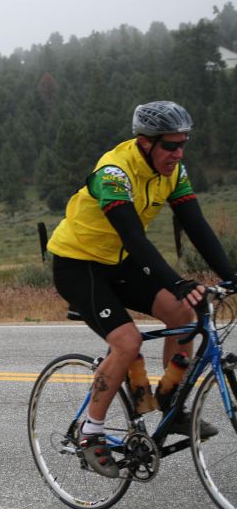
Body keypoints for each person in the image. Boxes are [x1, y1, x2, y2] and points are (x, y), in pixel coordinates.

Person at [47, 101, 237, 478]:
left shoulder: (173, 171)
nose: (178, 153)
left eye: (183, 144)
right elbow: (133, 236)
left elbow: (196, 225)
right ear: (145, 143)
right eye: (170, 145)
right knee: (128, 342)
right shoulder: (114, 173)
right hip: (79, 264)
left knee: (183, 314)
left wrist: (231, 274)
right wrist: (176, 281)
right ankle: (91, 433)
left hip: (120, 263)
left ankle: (170, 402)